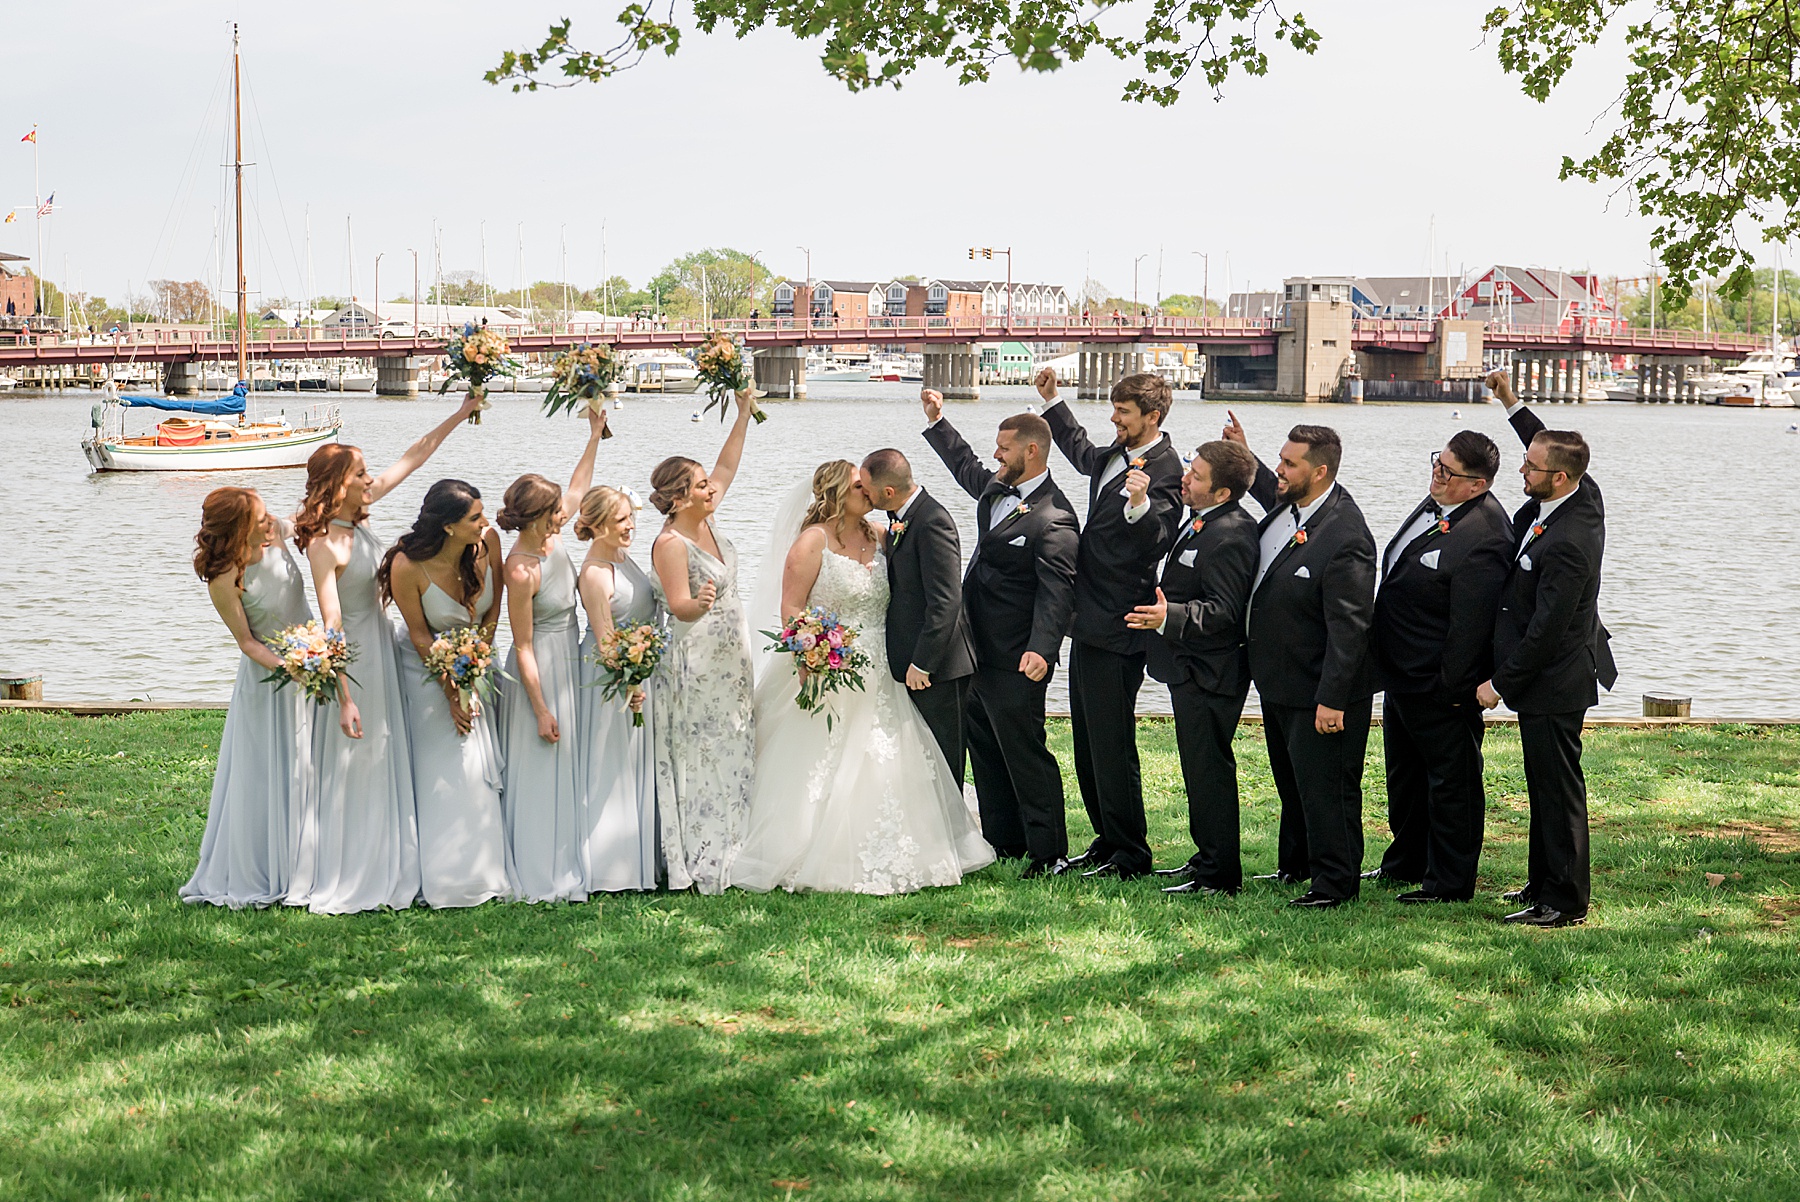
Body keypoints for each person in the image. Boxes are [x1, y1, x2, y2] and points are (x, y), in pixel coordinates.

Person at [731, 460, 996, 894]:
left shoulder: (881, 534)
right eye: (859, 485)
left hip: (883, 662)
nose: (868, 490)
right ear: (838, 492)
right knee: (822, 758)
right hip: (831, 662)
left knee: (891, 753)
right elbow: (792, 608)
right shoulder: (810, 542)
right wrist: (813, 650)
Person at [293, 392, 482, 913]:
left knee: (387, 755)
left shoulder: (361, 516)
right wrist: (344, 695)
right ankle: (357, 868)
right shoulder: (325, 544)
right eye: (361, 474)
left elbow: (417, 453)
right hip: (356, 658)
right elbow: (331, 624)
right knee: (361, 762)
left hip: (385, 644)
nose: (369, 479)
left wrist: (462, 411)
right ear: (339, 484)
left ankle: (398, 860)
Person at [922, 390, 1080, 877]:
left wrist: (1042, 650)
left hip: (1017, 656)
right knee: (985, 748)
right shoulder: (997, 487)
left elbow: (1058, 592)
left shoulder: (1056, 519)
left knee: (1024, 751)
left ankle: (1049, 852)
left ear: (1031, 451)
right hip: (976, 650)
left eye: (1004, 448)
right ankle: (1002, 841)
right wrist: (939, 422)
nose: (996, 456)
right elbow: (968, 469)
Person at [1477, 370, 1615, 928]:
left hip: (1557, 678)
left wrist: (1499, 684)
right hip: (1543, 675)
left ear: (1558, 478)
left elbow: (1549, 631)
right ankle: (1541, 883)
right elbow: (1543, 442)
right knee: (1541, 782)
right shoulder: (1572, 489)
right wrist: (1511, 402)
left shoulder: (1571, 541)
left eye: (1530, 468)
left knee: (1558, 792)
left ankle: (1564, 902)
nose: (1520, 469)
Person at [1036, 367, 1184, 880]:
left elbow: (1160, 537)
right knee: (1086, 736)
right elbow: (1081, 452)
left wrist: (1140, 505)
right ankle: (1105, 839)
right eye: (1115, 411)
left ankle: (1130, 854)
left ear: (1152, 416)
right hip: (1088, 618)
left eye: (1123, 413)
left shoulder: (1166, 468)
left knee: (1112, 741)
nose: (1114, 419)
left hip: (1121, 622)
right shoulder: (1114, 454)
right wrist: (1053, 401)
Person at [1223, 414, 1377, 909]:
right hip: (1279, 681)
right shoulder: (1292, 508)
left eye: (1289, 464)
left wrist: (1332, 700)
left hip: (1320, 690)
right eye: (1279, 461)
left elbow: (1350, 630)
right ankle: (1297, 865)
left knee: (1327, 790)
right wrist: (1245, 454)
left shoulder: (1345, 536)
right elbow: (1274, 491)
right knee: (1292, 783)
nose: (1279, 470)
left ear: (1321, 472)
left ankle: (1335, 884)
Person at [1367, 431, 1514, 904]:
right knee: (1404, 778)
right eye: (1438, 461)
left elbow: (1470, 625)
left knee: (1452, 785)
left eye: (1449, 471)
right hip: (1401, 673)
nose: (1438, 472)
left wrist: (1453, 688)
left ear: (1478, 485)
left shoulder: (1486, 535)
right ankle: (1406, 860)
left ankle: (1449, 882)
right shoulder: (1436, 505)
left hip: (1440, 683)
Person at [1124, 440, 1260, 895]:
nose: (1186, 478)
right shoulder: (1202, 520)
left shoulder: (1233, 534)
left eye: (1197, 476)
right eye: (1190, 468)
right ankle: (1207, 858)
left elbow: (1224, 610)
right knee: (1197, 771)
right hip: (1189, 668)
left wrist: (1170, 618)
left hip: (1211, 672)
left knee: (1209, 773)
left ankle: (1219, 877)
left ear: (1222, 494)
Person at [380, 479, 513, 909]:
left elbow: (494, 610)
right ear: (450, 526)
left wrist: (477, 661)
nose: (485, 522)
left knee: (481, 766)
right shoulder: (406, 566)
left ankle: (490, 868)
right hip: (425, 670)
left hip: (476, 661)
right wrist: (452, 692)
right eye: (475, 517)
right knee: (451, 764)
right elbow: (420, 636)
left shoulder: (488, 542)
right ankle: (450, 877)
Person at [182, 487, 315, 909]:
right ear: (239, 527)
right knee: (271, 772)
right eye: (259, 517)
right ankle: (270, 866)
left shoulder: (276, 533)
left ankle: (316, 859)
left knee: (312, 766)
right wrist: (294, 670)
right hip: (270, 681)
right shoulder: (225, 578)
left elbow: (315, 526)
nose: (269, 520)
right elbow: (247, 642)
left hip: (316, 658)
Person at [648, 389, 759, 894]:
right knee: (704, 747)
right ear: (678, 497)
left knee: (736, 737)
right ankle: (704, 848)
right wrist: (703, 599)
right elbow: (678, 608)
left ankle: (743, 836)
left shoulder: (708, 517)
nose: (710, 487)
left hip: (730, 653)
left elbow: (727, 465)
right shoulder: (671, 543)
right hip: (695, 656)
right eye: (699, 485)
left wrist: (741, 413)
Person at [497, 410, 609, 903]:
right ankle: (538, 871)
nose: (566, 514)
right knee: (541, 765)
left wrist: (592, 435)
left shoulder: (555, 540)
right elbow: (521, 643)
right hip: (539, 667)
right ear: (540, 516)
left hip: (569, 659)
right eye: (557, 511)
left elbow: (578, 486)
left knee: (568, 765)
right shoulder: (520, 570)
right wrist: (540, 709)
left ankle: (570, 857)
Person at [857, 447, 976, 784]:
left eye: (867, 489)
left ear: (888, 492)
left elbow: (946, 601)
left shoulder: (932, 521)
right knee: (921, 763)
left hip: (940, 667)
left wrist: (923, 662)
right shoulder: (901, 518)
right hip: (911, 662)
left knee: (944, 761)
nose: (864, 495)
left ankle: (950, 834)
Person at [574, 484, 660, 893]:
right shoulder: (594, 573)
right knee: (610, 768)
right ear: (595, 525)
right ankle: (609, 870)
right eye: (621, 520)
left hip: (638, 669)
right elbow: (605, 640)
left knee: (634, 766)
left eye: (631, 518)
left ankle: (638, 861)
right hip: (611, 681)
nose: (630, 526)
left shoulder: (622, 557)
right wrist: (630, 679)